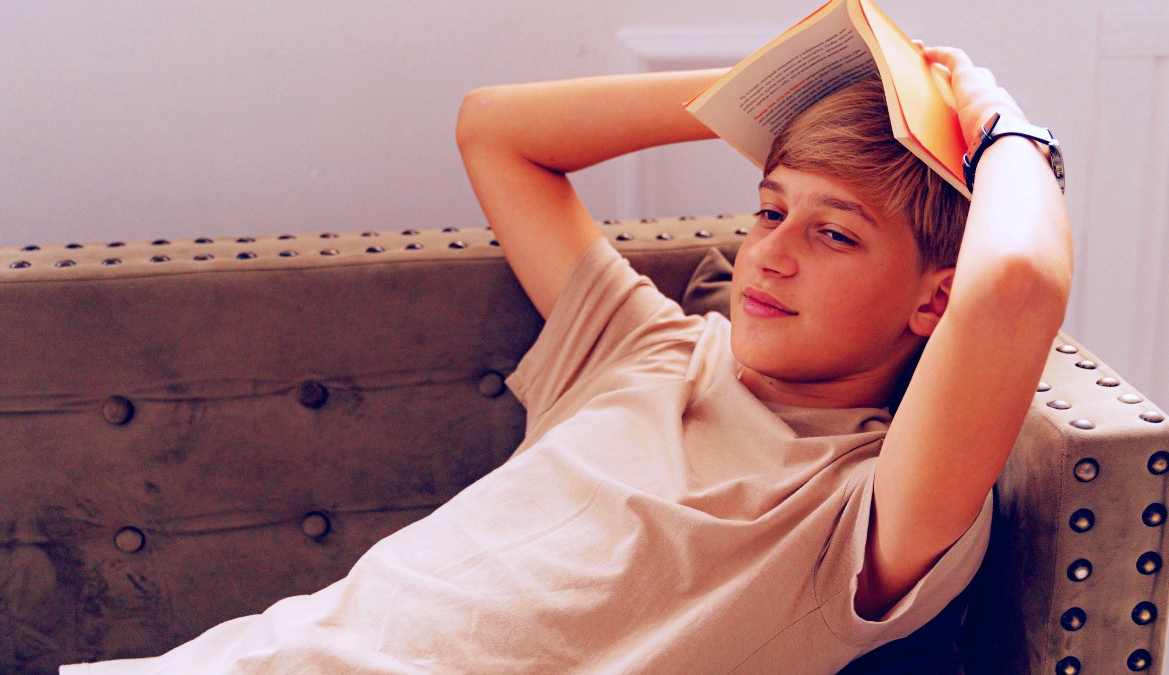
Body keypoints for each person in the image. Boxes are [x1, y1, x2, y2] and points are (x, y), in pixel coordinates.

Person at [61, 44, 1072, 674]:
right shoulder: (648, 348)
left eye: (835, 234)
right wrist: (811, 76)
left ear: (934, 296)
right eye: (770, 210)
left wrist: (1004, 134)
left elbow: (1016, 284)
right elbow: (496, 131)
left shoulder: (862, 509)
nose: (770, 252)